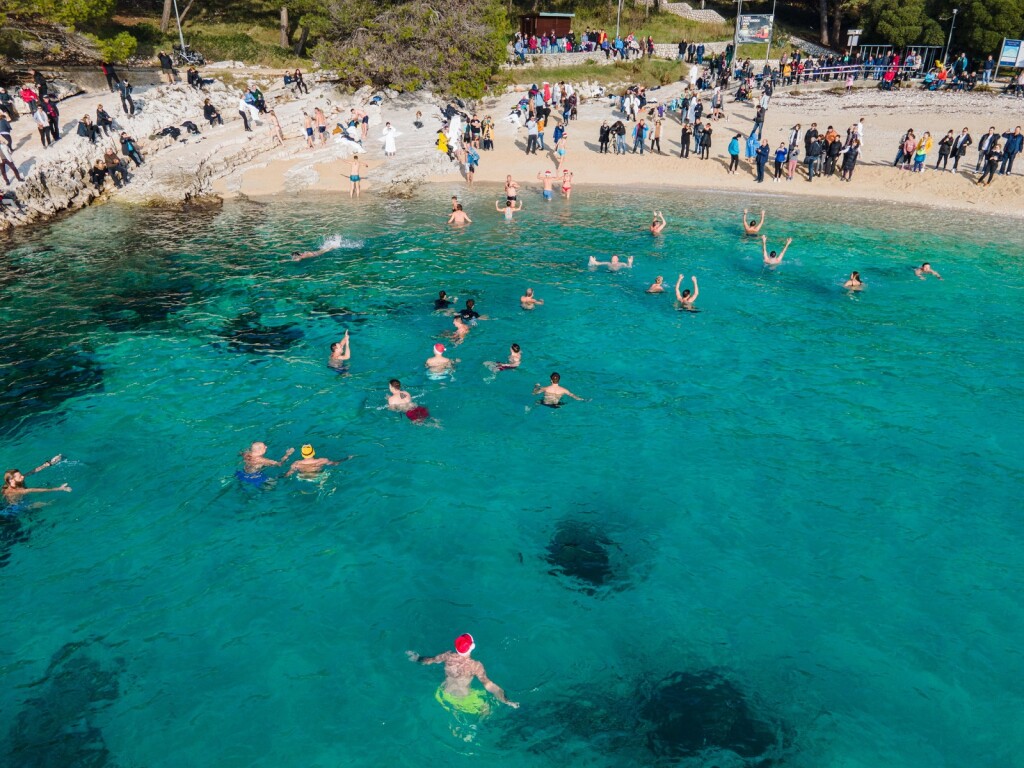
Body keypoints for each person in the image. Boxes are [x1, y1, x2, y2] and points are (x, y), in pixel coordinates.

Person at [407, 633, 519, 714]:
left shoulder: (447, 656)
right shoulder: (475, 665)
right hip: (462, 700)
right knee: (487, 709)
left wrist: (417, 658)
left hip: (442, 694)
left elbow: (430, 660)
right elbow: (489, 685)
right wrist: (507, 701)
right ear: (472, 647)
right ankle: (475, 727)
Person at [2, 455, 68, 505]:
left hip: (21, 498)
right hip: (15, 507)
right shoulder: (15, 491)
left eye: (21, 475)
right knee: (44, 504)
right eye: (20, 476)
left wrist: (49, 463)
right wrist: (59, 488)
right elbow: (35, 490)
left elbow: (33, 471)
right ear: (11, 480)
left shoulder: (17, 480)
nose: (23, 476)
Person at [284, 445, 350, 477]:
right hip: (318, 477)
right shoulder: (323, 460)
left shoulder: (296, 464)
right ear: (313, 452)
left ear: (302, 454)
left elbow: (288, 474)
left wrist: (277, 477)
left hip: (303, 477)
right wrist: (347, 458)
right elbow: (336, 464)